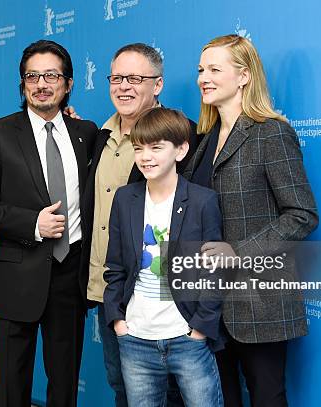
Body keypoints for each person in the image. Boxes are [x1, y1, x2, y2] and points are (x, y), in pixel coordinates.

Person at [183, 34, 319, 407]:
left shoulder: (270, 133)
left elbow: (302, 215)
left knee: (266, 397)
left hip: (259, 298)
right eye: (200, 69)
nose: (203, 78)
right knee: (220, 398)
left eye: (214, 69)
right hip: (208, 301)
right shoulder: (204, 140)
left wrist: (238, 252)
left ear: (244, 75)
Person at [0, 40, 98, 407]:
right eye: (32, 75)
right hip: (16, 275)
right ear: (23, 83)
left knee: (64, 383)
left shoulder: (86, 133)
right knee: (13, 385)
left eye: (51, 75)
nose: (41, 83)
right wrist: (33, 224)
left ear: (69, 83)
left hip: (69, 275)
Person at [82, 43, 197, 407]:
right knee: (123, 387)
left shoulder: (186, 137)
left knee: (175, 393)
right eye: (117, 78)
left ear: (158, 84)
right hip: (111, 291)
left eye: (135, 78)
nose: (124, 86)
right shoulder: (99, 136)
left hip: (166, 296)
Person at [103, 107, 224, 407]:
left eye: (156, 148)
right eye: (139, 148)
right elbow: (115, 266)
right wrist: (119, 321)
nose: (146, 157)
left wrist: (199, 330)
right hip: (135, 339)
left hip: (187, 337)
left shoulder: (202, 201)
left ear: (180, 150)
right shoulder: (125, 198)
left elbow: (215, 271)